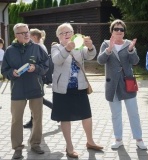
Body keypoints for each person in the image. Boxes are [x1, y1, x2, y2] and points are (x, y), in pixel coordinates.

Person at [51, 23, 103, 158]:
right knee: (65, 118)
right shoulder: (56, 47)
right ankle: (69, 147)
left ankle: (90, 142)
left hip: (79, 86)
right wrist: (67, 49)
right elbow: (56, 60)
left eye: (69, 32)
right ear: (58, 37)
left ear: (73, 34)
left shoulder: (79, 46)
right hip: (62, 89)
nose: (67, 34)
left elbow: (90, 55)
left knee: (86, 115)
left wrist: (90, 46)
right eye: (63, 33)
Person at [1, 23, 49, 159]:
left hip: (35, 88)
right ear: (16, 35)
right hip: (18, 90)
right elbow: (4, 70)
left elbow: (46, 65)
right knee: (16, 120)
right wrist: (12, 73)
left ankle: (35, 144)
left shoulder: (37, 48)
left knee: (37, 118)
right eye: (22, 33)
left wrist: (36, 68)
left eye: (27, 31)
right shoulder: (10, 50)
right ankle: (17, 147)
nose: (26, 34)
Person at [97, 19, 147, 150]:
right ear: (112, 31)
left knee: (133, 113)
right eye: (116, 29)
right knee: (116, 114)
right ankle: (118, 139)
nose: (119, 31)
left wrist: (131, 50)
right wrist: (109, 49)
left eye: (121, 29)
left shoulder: (129, 44)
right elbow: (100, 61)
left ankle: (139, 139)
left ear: (124, 32)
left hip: (127, 83)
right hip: (112, 84)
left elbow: (135, 61)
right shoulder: (106, 44)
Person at [23, 28, 53, 129]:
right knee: (36, 99)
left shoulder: (39, 47)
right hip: (36, 76)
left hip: (39, 77)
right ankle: (32, 120)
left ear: (34, 37)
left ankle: (56, 110)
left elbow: (43, 64)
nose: (27, 38)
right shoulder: (38, 46)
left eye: (29, 36)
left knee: (37, 99)